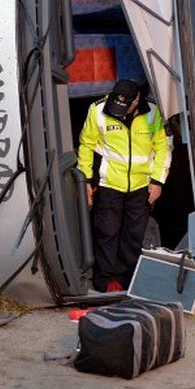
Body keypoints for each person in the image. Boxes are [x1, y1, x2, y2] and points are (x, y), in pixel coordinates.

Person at [77, 79, 170, 292]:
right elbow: (86, 145)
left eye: (124, 106)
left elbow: (162, 147)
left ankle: (129, 280)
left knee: (133, 235)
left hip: (141, 186)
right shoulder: (98, 110)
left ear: (136, 101)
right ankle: (106, 280)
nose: (118, 111)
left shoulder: (152, 114)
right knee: (106, 232)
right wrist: (86, 180)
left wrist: (157, 181)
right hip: (108, 184)